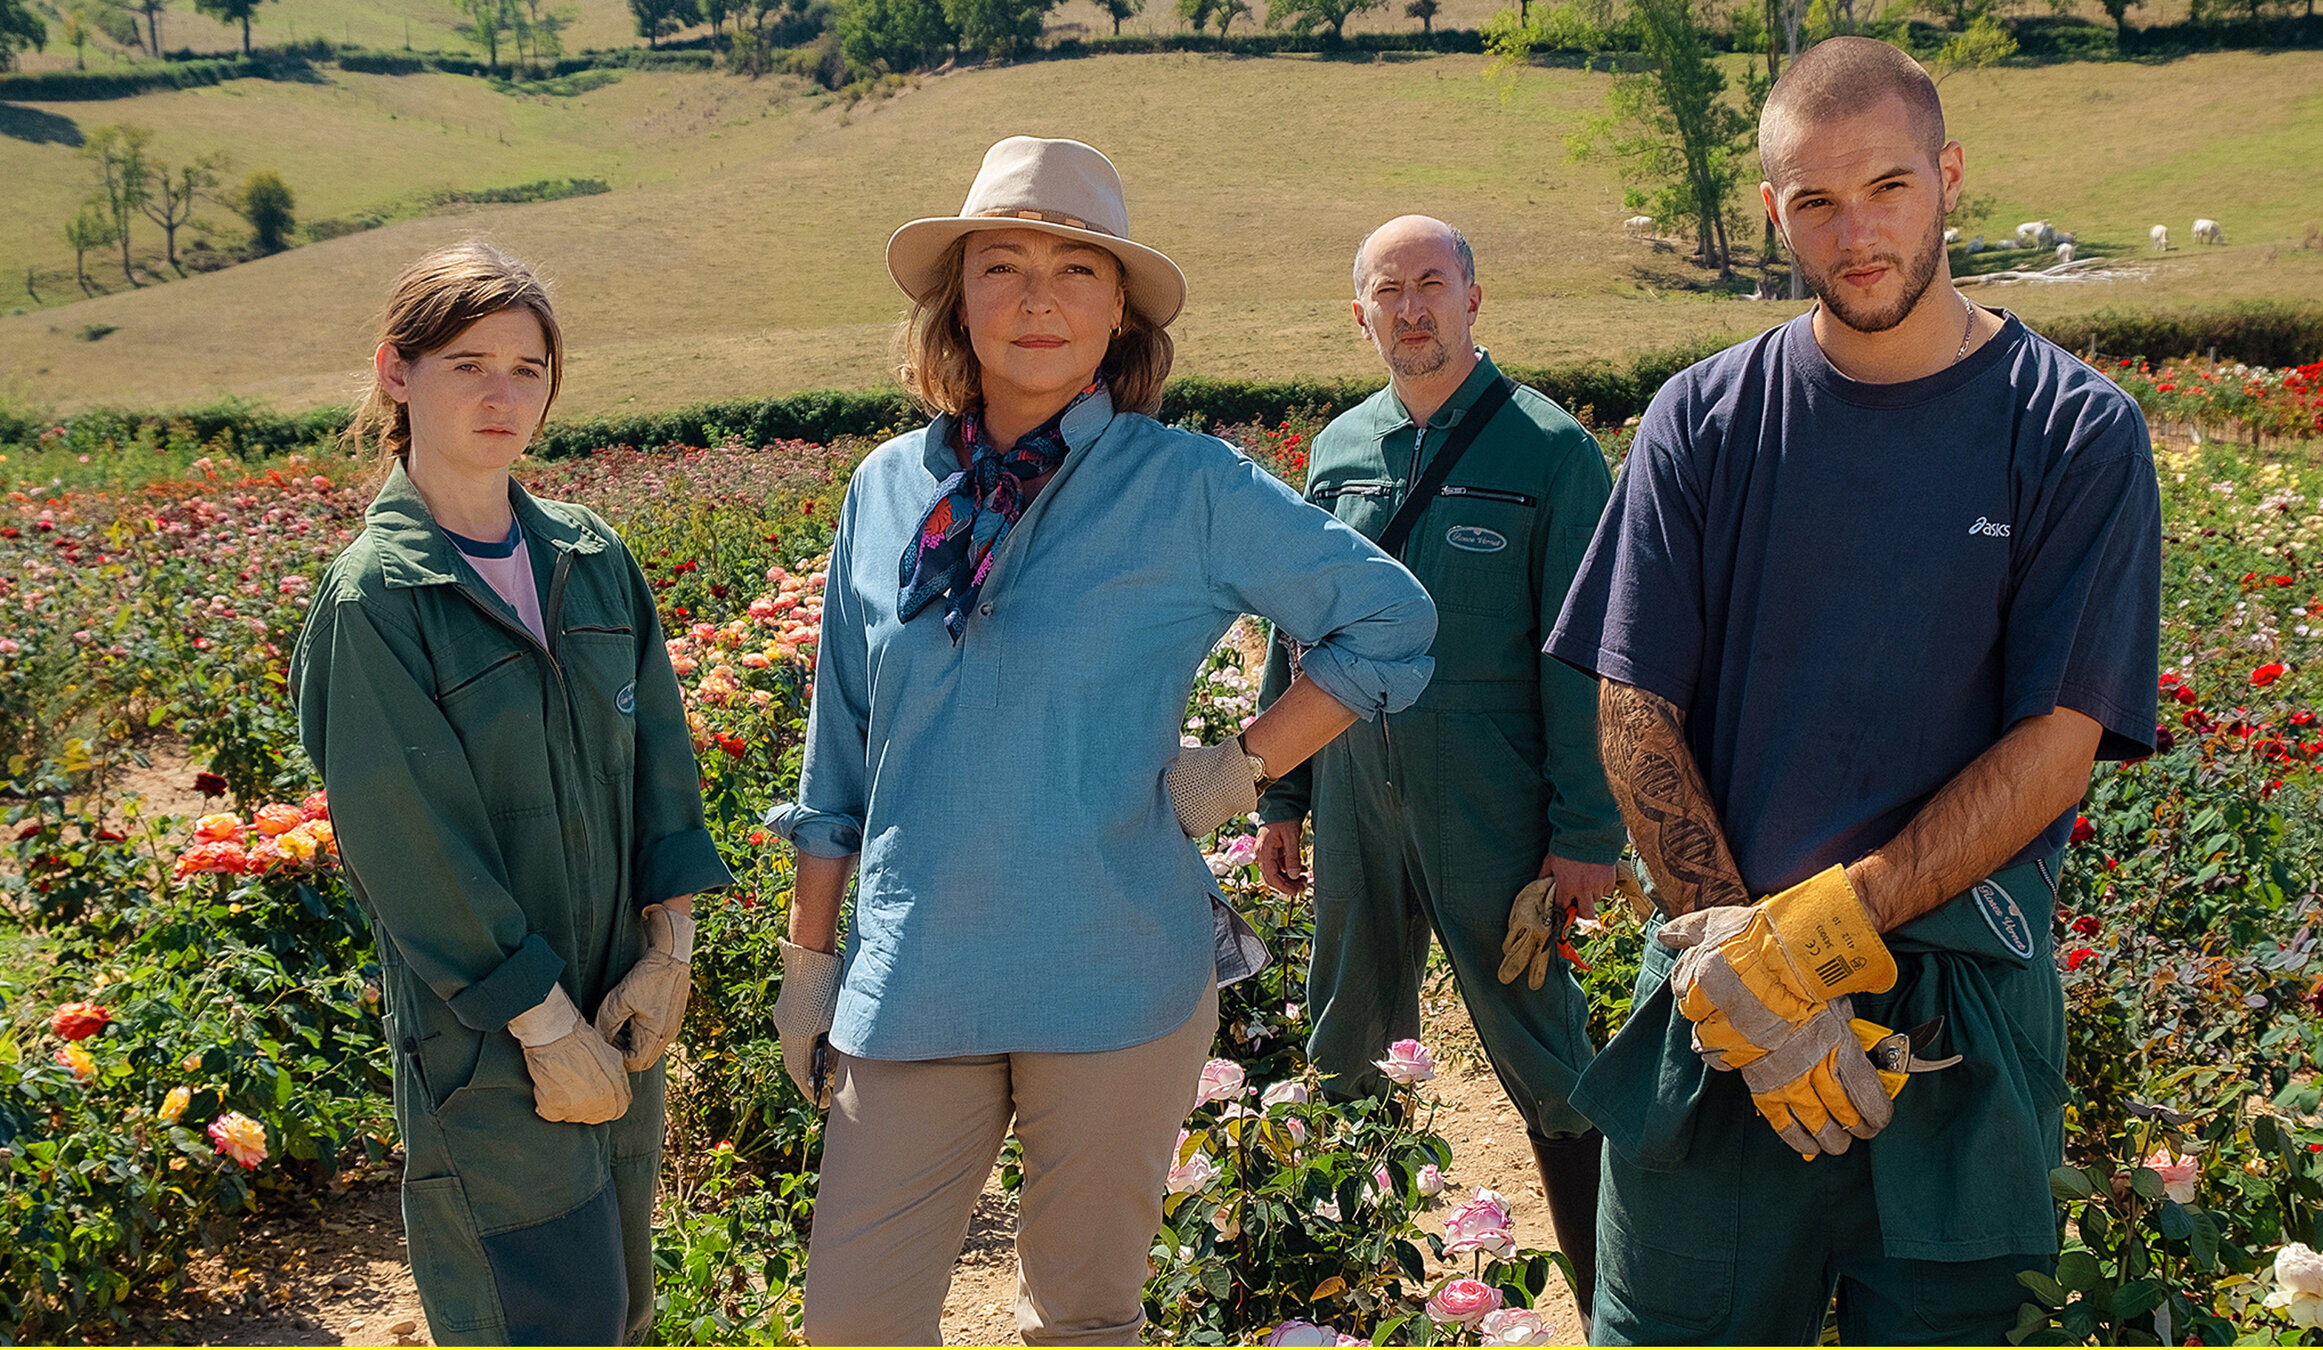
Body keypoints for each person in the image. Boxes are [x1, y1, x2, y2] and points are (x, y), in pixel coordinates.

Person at [766, 136, 1438, 1347]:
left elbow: (1390, 618)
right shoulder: (883, 489)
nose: (1036, 298)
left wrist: (1239, 767)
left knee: (1080, 1321)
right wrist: (810, 963)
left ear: (1118, 309)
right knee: (851, 1326)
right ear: (955, 300)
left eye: (1076, 270)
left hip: (1116, 967)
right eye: (1001, 266)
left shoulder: (1182, 485)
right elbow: (839, 756)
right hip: (916, 973)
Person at [1543, 37, 2162, 1345]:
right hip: (1718, 1019)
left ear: (1947, 179)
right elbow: (1635, 707)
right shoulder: (1702, 419)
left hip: (1956, 1025)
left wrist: (1808, 942)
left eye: (1886, 186)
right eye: (1815, 203)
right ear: (1776, 214)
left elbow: (2056, 747)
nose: (1856, 231)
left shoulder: (2071, 430)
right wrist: (1738, 962)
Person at [291, 240, 733, 1346]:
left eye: (528, 369)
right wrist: (540, 1024)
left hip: (619, 998)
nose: (502, 395)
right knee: (538, 1315)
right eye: (468, 364)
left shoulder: (590, 559)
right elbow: (410, 843)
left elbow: (662, 767)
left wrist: (668, 947)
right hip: (486, 1036)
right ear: (398, 373)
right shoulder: (379, 600)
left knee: (620, 1308)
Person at [1253, 214, 1626, 1318]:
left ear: (1474, 297)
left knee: (1546, 1052)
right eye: (1388, 290)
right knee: (1343, 1040)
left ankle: (1620, 1303)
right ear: (1358, 313)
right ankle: (1343, 1304)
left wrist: (1583, 834)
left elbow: (1584, 658)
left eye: (1430, 284)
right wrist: (1282, 793)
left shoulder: (1549, 451)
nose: (1411, 308)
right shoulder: (1338, 452)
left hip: (1492, 795)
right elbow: (1296, 629)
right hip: (1356, 789)